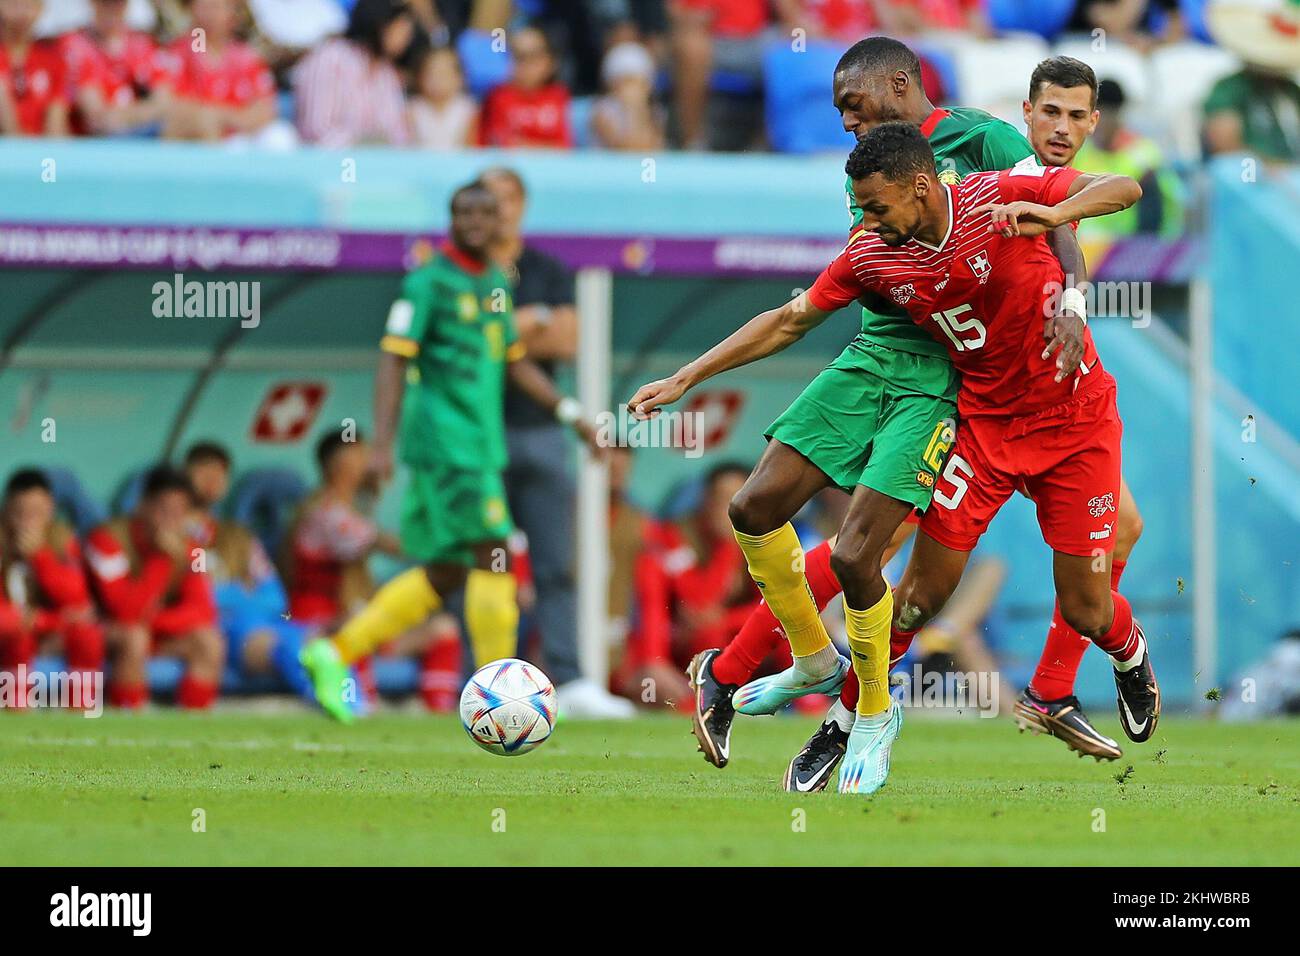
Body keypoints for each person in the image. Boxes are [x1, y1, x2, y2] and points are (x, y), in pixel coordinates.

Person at [629, 123, 1155, 795]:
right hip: (985, 431)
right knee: (914, 596)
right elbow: (790, 320)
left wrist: (1056, 217)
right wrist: (686, 377)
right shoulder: (874, 254)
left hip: (1077, 426)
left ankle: (1127, 654)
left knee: (1087, 607)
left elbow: (1123, 186)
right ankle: (850, 716)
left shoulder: (997, 195)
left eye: (877, 207)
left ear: (921, 185)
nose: (867, 222)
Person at [298, 181, 603, 723]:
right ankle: (501, 694)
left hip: (481, 447)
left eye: (486, 212)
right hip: (446, 446)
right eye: (465, 212)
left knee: (446, 571)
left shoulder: (492, 284)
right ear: (452, 219)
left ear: (502, 221)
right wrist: (382, 445)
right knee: (496, 553)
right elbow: (393, 359)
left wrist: (570, 413)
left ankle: (334, 652)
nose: (475, 221)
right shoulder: (426, 283)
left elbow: (513, 362)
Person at [479, 166, 634, 718]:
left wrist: (497, 326)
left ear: (521, 204)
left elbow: (567, 338)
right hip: (476, 436)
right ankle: (476, 678)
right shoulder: (461, 270)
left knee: (556, 561)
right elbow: (474, 335)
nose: (495, 210)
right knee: (478, 562)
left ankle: (568, 680)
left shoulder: (545, 268)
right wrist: (530, 322)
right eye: (485, 200)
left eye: (505, 199)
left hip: (540, 431)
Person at [84, 464, 224, 709]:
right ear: (143, 506)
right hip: (104, 630)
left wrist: (154, 620)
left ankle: (193, 725)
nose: (171, 520)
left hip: (152, 629)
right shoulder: (106, 540)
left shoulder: (193, 548)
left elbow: (204, 611)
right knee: (134, 638)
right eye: (163, 510)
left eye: (179, 512)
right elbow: (123, 612)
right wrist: (161, 560)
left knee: (209, 641)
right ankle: (128, 720)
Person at [620, 463, 758, 707]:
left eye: (736, 500)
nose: (727, 509)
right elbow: (682, 602)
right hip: (675, 649)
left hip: (736, 648)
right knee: (705, 636)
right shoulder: (670, 537)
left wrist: (726, 619)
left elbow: (774, 608)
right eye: (721, 498)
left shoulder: (757, 542)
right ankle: (705, 703)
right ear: (704, 499)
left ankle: (803, 699)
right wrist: (654, 660)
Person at [183, 442, 313, 701]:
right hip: (215, 630)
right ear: (184, 476)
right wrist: (239, 592)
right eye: (203, 470)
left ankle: (360, 705)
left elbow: (275, 599)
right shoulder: (171, 532)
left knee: (315, 640)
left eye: (220, 473)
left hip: (258, 623)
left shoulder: (238, 537)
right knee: (282, 646)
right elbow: (190, 598)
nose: (212, 479)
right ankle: (332, 703)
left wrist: (225, 596)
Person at [0, 469, 103, 711]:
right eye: (20, 513)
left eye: (36, 513)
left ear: (50, 508)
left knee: (87, 634)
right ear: (6, 510)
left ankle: (81, 710)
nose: (27, 521)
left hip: (49, 629)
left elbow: (76, 600)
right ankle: (14, 709)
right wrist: (41, 622)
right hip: (14, 632)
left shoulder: (61, 540)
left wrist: (40, 557)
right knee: (19, 637)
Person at [293, 0, 414, 148]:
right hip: (329, 163)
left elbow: (398, 132)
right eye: (401, 27)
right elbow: (316, 129)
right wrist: (362, 144)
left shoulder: (387, 73)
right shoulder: (331, 58)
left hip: (377, 164)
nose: (407, 36)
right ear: (379, 23)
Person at [156, 0, 278, 142]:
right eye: (204, 6)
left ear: (232, 12)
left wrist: (222, 115)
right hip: (192, 138)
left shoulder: (247, 58)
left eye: (216, 7)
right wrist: (204, 116)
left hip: (236, 140)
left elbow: (265, 111)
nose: (210, 14)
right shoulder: (178, 53)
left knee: (277, 136)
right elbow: (163, 102)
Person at [60, 0, 166, 135]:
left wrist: (125, 115)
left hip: (146, 135)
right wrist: (149, 110)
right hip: (98, 144)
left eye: (118, 3)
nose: (112, 8)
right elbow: (98, 117)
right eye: (106, 3)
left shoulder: (142, 43)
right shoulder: (75, 45)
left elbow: (166, 101)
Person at [478, 25, 571, 148]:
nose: (526, 64)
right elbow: (501, 143)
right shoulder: (498, 97)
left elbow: (564, 146)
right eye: (518, 56)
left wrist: (526, 145)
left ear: (550, 60)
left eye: (533, 56)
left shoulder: (559, 95)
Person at [1203, 61, 1300, 163]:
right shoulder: (1230, 87)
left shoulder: (1291, 90)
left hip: (1290, 167)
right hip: (1251, 164)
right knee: (1232, 167)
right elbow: (1224, 143)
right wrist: (1271, 165)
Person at [0, 0, 70, 136]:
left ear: (40, 9)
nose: (21, 13)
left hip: (39, 151)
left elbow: (56, 123)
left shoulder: (53, 58)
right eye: (14, 4)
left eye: (29, 5)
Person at [590, 39, 664, 152]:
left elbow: (652, 150)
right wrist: (631, 110)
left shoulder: (655, 112)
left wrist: (638, 110)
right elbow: (626, 150)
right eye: (627, 81)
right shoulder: (601, 112)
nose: (632, 89)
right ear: (613, 84)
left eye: (636, 82)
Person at [408, 44, 476, 150]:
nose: (437, 80)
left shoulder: (469, 109)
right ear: (420, 77)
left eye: (444, 73)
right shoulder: (412, 109)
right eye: (432, 74)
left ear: (459, 78)